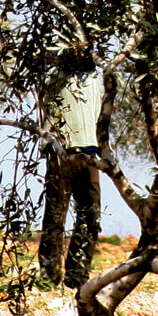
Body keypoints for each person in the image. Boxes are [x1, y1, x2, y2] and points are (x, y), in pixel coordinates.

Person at [38, 49, 103, 290]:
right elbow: (48, 86)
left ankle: (78, 274)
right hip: (60, 151)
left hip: (89, 153)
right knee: (56, 215)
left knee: (91, 214)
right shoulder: (54, 74)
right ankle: (49, 274)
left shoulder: (95, 78)